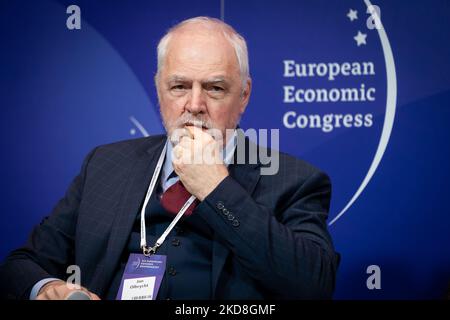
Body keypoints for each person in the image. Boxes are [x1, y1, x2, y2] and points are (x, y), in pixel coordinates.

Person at [0, 16, 339, 300]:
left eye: (215, 88)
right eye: (179, 86)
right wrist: (48, 288)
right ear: (159, 89)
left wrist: (218, 189)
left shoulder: (294, 179)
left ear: (244, 95)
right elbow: (23, 263)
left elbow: (314, 285)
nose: (194, 105)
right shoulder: (105, 164)